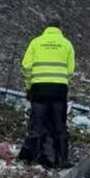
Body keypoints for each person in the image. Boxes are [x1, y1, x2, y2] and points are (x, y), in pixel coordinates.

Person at [19, 19, 75, 167]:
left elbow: (26, 66)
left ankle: (33, 159)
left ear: (46, 28)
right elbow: (70, 70)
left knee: (37, 123)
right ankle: (63, 159)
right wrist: (59, 79)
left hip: (39, 88)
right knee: (59, 124)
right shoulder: (66, 44)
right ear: (60, 28)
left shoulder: (36, 42)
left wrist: (28, 85)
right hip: (58, 90)